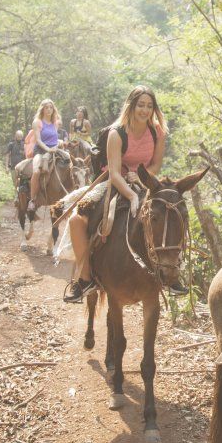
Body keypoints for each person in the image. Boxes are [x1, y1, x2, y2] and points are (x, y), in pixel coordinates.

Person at [62, 86, 175, 303]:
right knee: (77, 219)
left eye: (149, 106)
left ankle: (172, 274)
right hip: (113, 181)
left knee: (172, 211)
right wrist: (132, 196)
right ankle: (85, 280)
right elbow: (114, 173)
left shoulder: (157, 131)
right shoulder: (117, 132)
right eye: (141, 105)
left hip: (143, 180)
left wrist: (142, 177)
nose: (145, 110)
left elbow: (156, 165)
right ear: (131, 105)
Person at [26, 99, 62, 212]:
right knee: (36, 171)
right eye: (46, 107)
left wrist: (57, 145)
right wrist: (48, 149)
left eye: (51, 107)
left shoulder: (55, 122)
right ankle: (32, 200)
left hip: (54, 150)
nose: (49, 109)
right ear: (43, 109)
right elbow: (38, 140)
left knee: (71, 163)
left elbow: (55, 139)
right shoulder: (37, 122)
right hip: (40, 151)